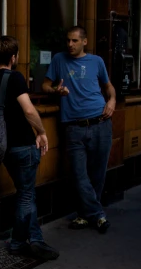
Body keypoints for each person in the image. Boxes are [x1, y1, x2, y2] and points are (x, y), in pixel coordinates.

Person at [0, 36, 59, 260]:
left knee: (26, 193)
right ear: (13, 57)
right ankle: (18, 243)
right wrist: (42, 132)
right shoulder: (14, 77)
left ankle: (36, 240)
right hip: (23, 145)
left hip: (2, 147)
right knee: (26, 196)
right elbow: (28, 110)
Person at [43, 26, 116, 232]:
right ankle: (98, 214)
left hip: (100, 122)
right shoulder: (59, 59)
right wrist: (56, 90)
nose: (70, 45)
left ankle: (85, 215)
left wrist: (112, 100)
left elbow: (108, 86)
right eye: (68, 40)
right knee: (78, 174)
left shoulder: (97, 61)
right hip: (74, 126)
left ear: (84, 42)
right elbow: (45, 86)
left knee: (98, 173)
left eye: (74, 41)